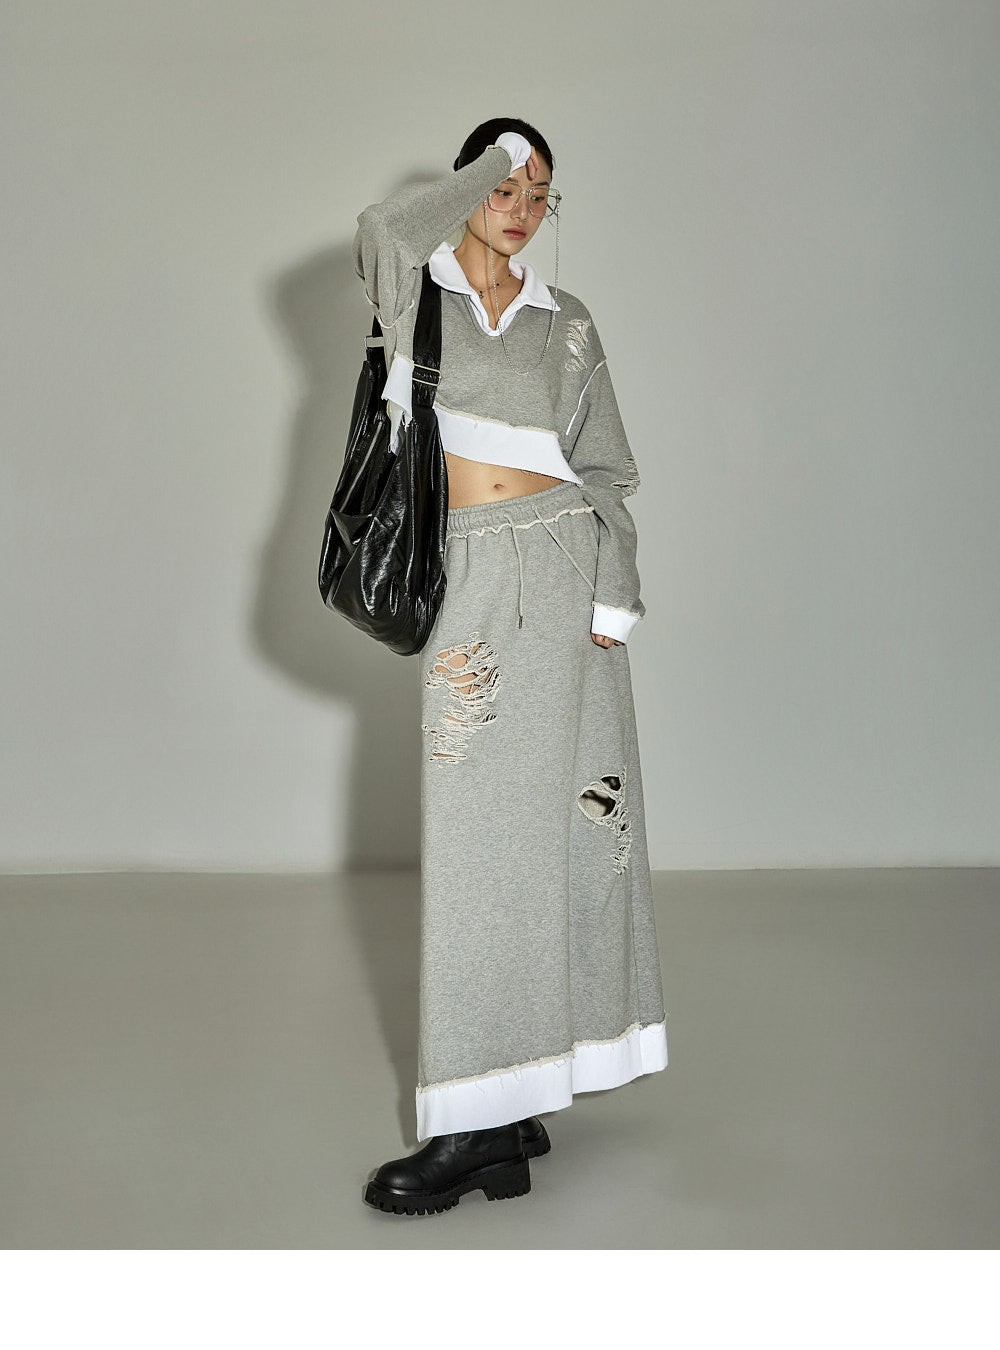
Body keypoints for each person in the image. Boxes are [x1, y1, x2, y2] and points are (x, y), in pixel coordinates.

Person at [354, 118, 668, 1216]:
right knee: (478, 851)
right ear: (469, 185)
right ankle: (472, 1115)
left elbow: (607, 470)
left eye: (541, 191)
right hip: (471, 585)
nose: (523, 205)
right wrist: (495, 159)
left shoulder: (565, 323)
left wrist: (614, 590)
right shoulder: (415, 294)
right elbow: (381, 227)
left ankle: (517, 1099)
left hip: (567, 573)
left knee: (567, 836)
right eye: (503, 184)